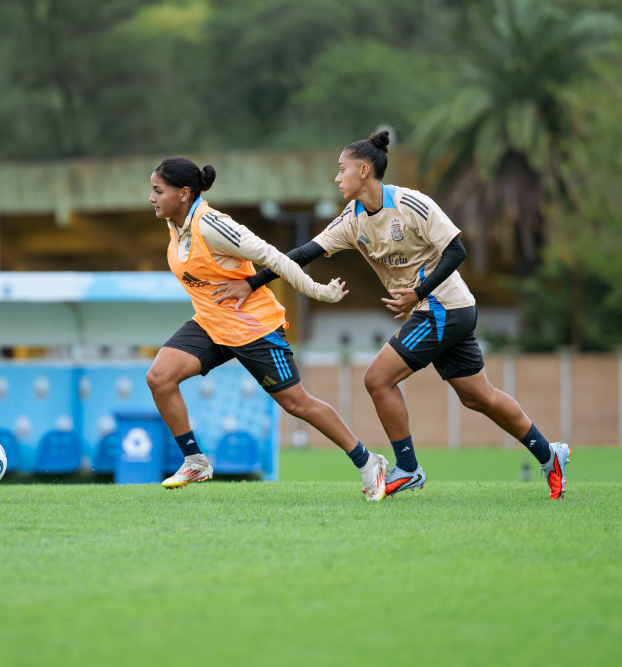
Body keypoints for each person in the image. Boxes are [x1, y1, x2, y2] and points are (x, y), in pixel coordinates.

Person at [213, 131, 571, 500]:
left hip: (443, 306)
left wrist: (418, 292)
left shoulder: (410, 204)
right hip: (441, 309)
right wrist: (254, 282)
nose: (336, 178)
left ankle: (408, 468)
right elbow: (303, 254)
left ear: (364, 170)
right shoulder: (351, 219)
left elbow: (456, 250)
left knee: (377, 379)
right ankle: (549, 455)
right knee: (478, 396)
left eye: (341, 170)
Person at [146, 157, 389, 500]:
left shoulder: (213, 225)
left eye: (158, 191)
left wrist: (319, 291)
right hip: (211, 323)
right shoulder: (175, 225)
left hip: (253, 326)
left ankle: (369, 462)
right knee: (159, 377)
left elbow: (274, 257)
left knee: (297, 404)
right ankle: (195, 460)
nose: (152, 198)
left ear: (184, 193)